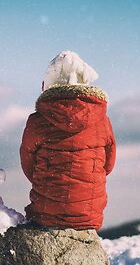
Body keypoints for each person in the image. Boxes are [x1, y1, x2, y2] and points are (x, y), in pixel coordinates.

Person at [19, 51, 116, 231]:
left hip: (46, 215)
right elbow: (108, 165)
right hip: (89, 216)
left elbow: (28, 165)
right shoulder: (102, 121)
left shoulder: (37, 121)